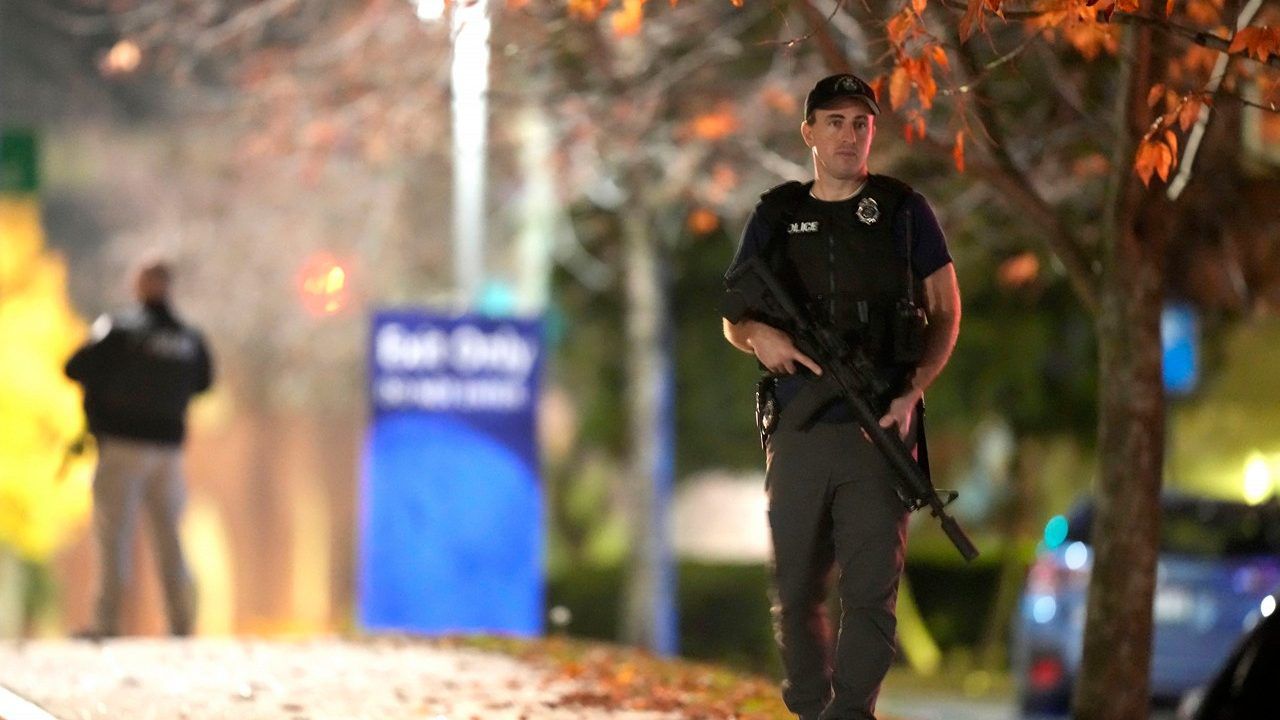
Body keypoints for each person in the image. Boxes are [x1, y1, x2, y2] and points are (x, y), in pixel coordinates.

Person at [721, 74, 961, 720]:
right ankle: (807, 704)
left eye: (861, 123)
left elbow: (946, 309)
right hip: (799, 426)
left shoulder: (904, 210)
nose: (850, 135)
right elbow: (735, 315)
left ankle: (851, 713)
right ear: (809, 133)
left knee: (870, 592)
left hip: (880, 423)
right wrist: (758, 337)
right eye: (835, 122)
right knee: (796, 587)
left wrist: (914, 389)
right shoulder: (775, 214)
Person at [65, 257, 213, 637]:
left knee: (114, 536)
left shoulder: (118, 331)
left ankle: (107, 623)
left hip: (122, 447)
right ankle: (182, 624)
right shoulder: (189, 338)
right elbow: (203, 384)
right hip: (168, 451)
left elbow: (74, 367)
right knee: (171, 538)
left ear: (140, 286)